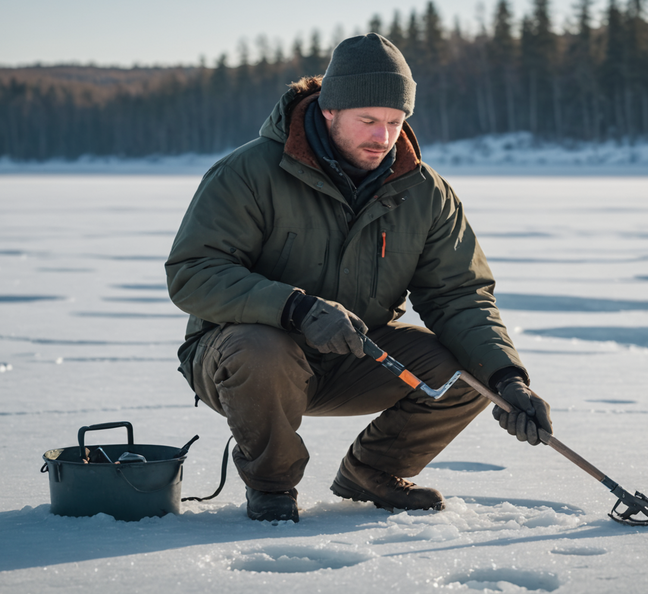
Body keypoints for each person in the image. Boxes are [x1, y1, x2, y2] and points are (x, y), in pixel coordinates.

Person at [166, 33, 551, 523]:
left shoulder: (425, 192)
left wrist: (508, 377)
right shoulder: (249, 172)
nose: (383, 136)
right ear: (329, 110)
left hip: (359, 354)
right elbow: (193, 273)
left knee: (466, 373)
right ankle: (272, 485)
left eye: (395, 122)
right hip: (239, 360)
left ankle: (373, 471)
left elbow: (459, 294)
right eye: (368, 120)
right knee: (263, 349)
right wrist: (297, 309)